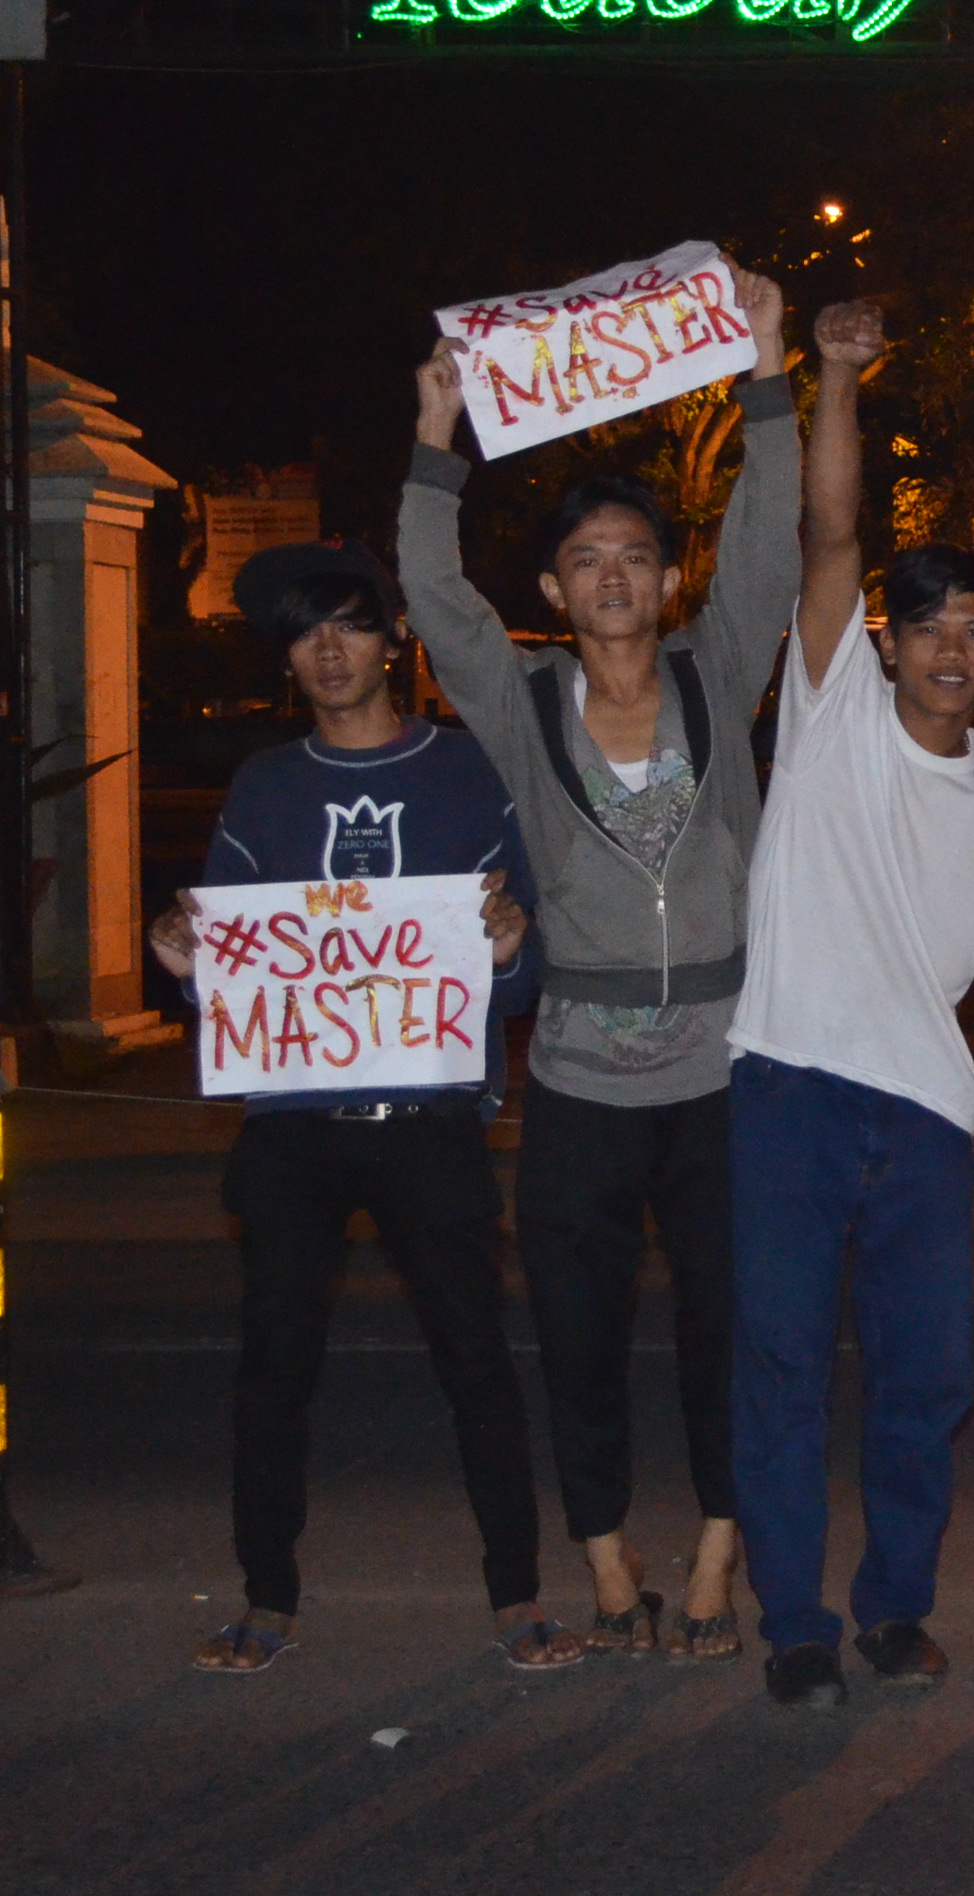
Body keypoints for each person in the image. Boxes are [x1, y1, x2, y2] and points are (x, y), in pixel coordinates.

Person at [399, 264, 799, 1662]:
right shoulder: (518, 706)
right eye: (587, 560)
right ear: (555, 588)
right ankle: (609, 1558)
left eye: (637, 555)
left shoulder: (713, 669)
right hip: (575, 1081)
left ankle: (715, 1559)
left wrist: (764, 371)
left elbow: (767, 539)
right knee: (574, 1336)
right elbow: (434, 604)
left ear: (667, 578)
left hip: (724, 1079)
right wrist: (437, 443)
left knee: (727, 1334)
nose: (615, 577)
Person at [725, 298, 974, 1709]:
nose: (948, 648)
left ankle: (895, 1606)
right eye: (926, 625)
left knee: (928, 1384)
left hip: (929, 1120)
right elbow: (827, 540)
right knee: (785, 1375)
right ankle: (797, 1621)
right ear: (892, 641)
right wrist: (841, 377)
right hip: (790, 1090)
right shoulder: (833, 713)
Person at [147, 540, 570, 1676]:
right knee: (272, 1367)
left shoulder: (470, 776)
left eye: (347, 624)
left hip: (430, 1128)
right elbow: (230, 980)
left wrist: (514, 950)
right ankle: (266, 1596)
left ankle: (518, 1597)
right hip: (292, 1132)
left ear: (394, 638)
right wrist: (183, 963)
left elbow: (518, 976)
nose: (326, 652)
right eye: (303, 632)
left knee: (476, 1362)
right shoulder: (267, 787)